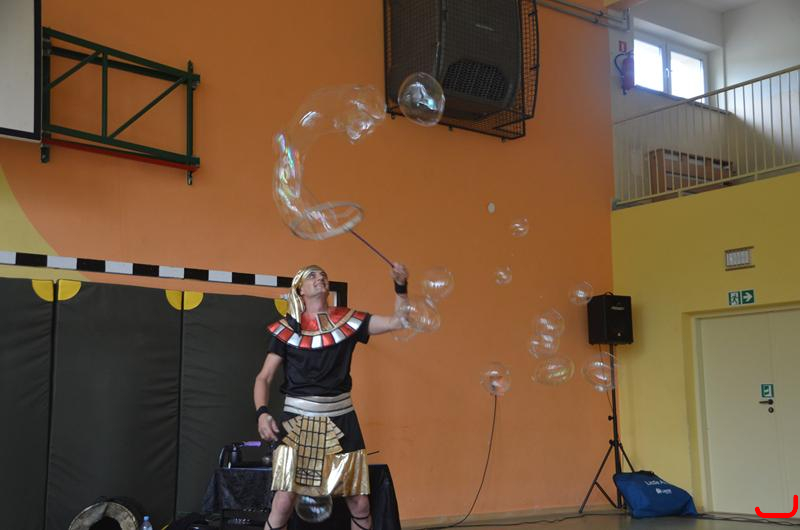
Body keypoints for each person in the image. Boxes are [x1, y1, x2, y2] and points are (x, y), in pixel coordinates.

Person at [254, 262, 409, 530]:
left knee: (360, 503)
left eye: (323, 275)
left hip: (342, 419)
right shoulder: (286, 329)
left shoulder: (349, 320)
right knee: (283, 501)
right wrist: (262, 412)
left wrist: (401, 287)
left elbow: (399, 321)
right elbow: (263, 377)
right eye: (312, 276)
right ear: (300, 290)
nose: (320, 278)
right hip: (297, 420)